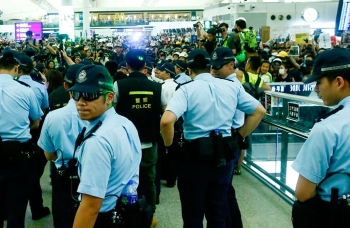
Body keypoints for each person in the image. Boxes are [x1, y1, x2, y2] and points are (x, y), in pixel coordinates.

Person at [160, 48, 266, 227]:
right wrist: (239, 136)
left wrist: (169, 147)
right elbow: (259, 111)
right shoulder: (232, 87)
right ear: (210, 67)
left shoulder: (186, 90)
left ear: (189, 70)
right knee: (218, 212)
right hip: (222, 156)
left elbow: (166, 121)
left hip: (192, 158)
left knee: (193, 215)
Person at [70, 65, 142, 228]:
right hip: (127, 210)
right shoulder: (125, 123)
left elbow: (91, 207)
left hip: (104, 218)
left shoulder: (98, 141)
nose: (81, 102)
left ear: (109, 98)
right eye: (76, 95)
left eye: (89, 95)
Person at [291, 48, 350, 228]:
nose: (316, 89)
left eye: (319, 82)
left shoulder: (328, 128)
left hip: (334, 213)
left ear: (338, 82)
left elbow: (303, 193)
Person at [113, 50, 167, 228]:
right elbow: (165, 113)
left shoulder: (118, 85)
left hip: (125, 144)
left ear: (127, 66)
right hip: (149, 142)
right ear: (145, 66)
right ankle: (150, 215)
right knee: (149, 180)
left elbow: (112, 113)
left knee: (125, 179)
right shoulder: (157, 87)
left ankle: (127, 215)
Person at [38, 64, 87, 228]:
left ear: (66, 86)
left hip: (63, 173)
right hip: (93, 173)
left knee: (63, 217)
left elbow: (49, 155)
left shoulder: (53, 117)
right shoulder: (103, 117)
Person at [0, 51, 43, 228]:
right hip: (18, 154)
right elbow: (36, 121)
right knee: (16, 209)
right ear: (17, 68)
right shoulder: (25, 90)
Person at [209, 47, 246, 228]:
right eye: (212, 66)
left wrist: (239, 136)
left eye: (218, 67)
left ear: (231, 65)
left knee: (223, 191)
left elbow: (258, 111)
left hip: (229, 138)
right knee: (226, 190)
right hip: (229, 138)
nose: (214, 70)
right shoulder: (229, 83)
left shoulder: (232, 86)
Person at [17, 54, 51, 220]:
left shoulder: (11, 86)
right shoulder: (38, 87)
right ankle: (37, 209)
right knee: (33, 172)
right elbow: (44, 109)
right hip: (34, 133)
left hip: (12, 137)